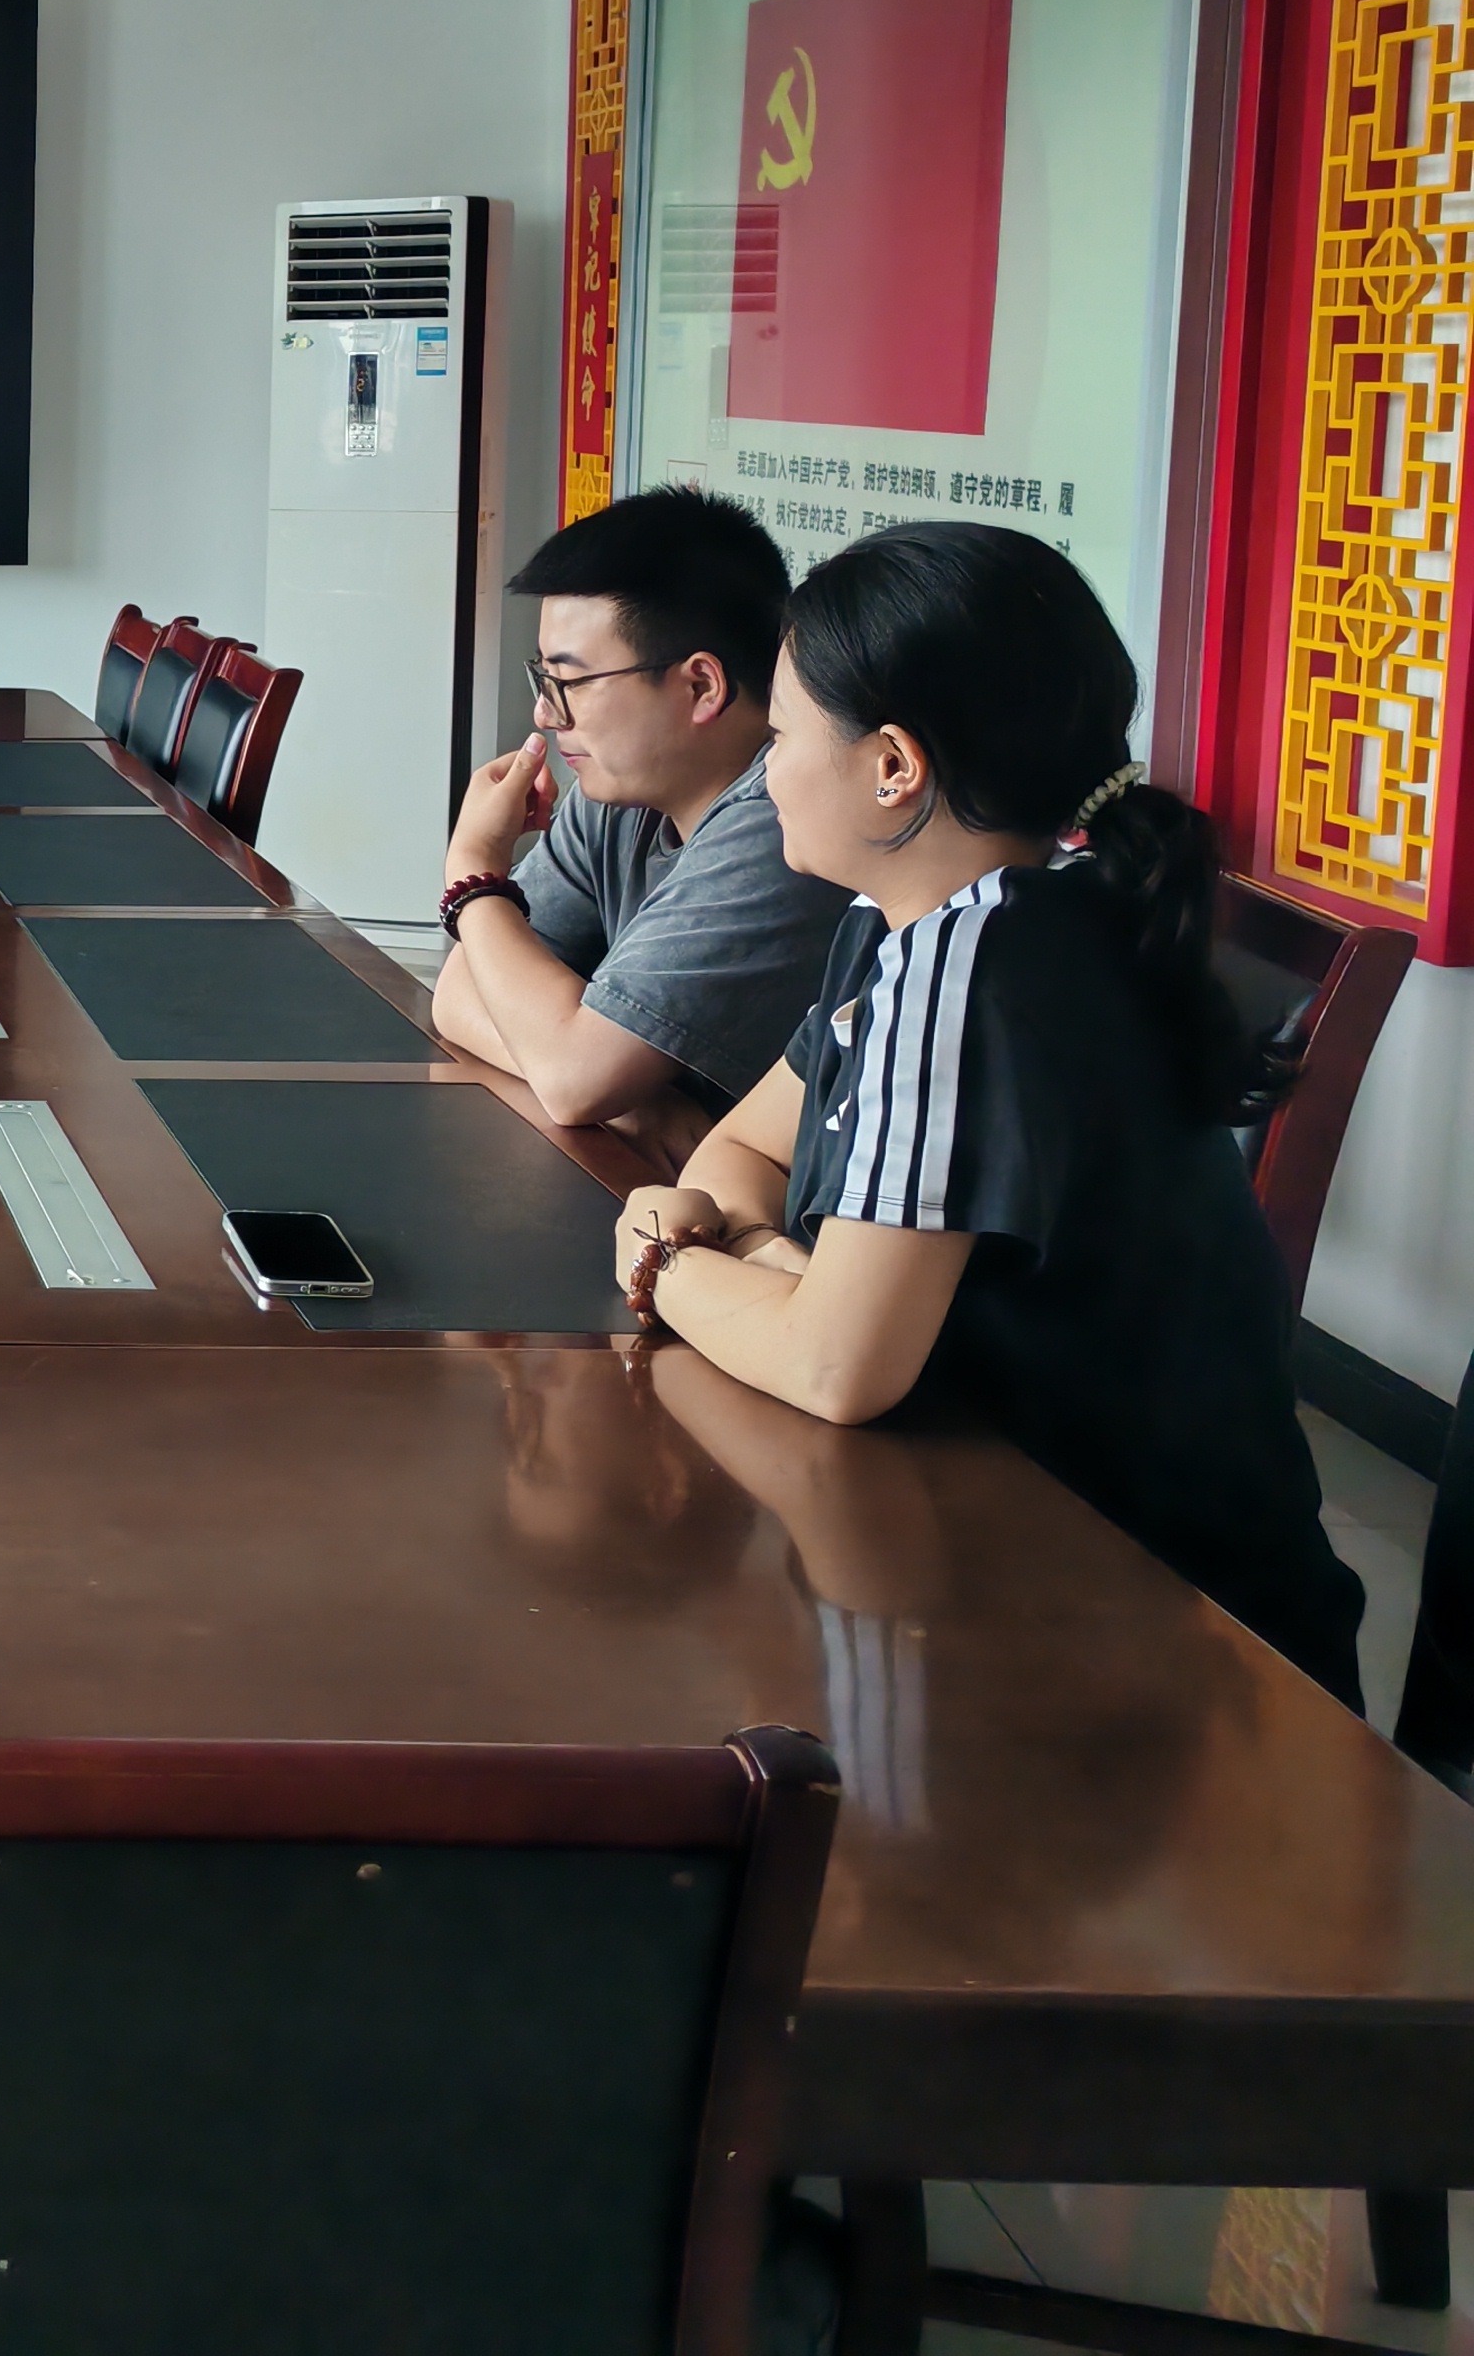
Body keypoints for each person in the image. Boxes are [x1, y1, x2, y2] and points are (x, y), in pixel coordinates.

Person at [611, 521, 1365, 1709]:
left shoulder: (972, 963)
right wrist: (764, 1257)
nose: (764, 773)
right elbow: (741, 1146)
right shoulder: (920, 919)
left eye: (783, 736)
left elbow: (833, 1366)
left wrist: (667, 1258)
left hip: (1150, 1662)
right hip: (1013, 1557)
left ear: (893, 767)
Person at [434, 489, 852, 1163]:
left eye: (570, 683)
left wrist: (476, 872)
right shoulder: (618, 792)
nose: (546, 714)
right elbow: (462, 992)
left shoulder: (782, 826)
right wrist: (634, 1105)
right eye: (543, 679)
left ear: (701, 687)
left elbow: (573, 1080)